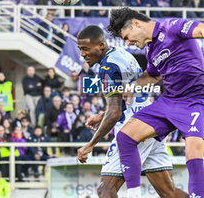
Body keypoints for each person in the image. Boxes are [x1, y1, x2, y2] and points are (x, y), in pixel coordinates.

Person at [106, 7, 204, 198]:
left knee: (192, 154)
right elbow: (152, 75)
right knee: (125, 137)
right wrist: (129, 87)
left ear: (136, 24)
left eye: (127, 37)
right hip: (169, 101)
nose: (128, 43)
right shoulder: (151, 50)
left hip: (196, 99)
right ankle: (133, 195)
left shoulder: (171, 27)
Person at [77, 25, 188, 198]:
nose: (83, 54)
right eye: (80, 49)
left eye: (85, 48)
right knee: (169, 192)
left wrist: (90, 145)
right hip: (150, 120)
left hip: (133, 128)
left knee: (106, 189)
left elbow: (115, 113)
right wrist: (102, 115)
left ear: (100, 45)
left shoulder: (107, 68)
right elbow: (125, 98)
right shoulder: (121, 54)